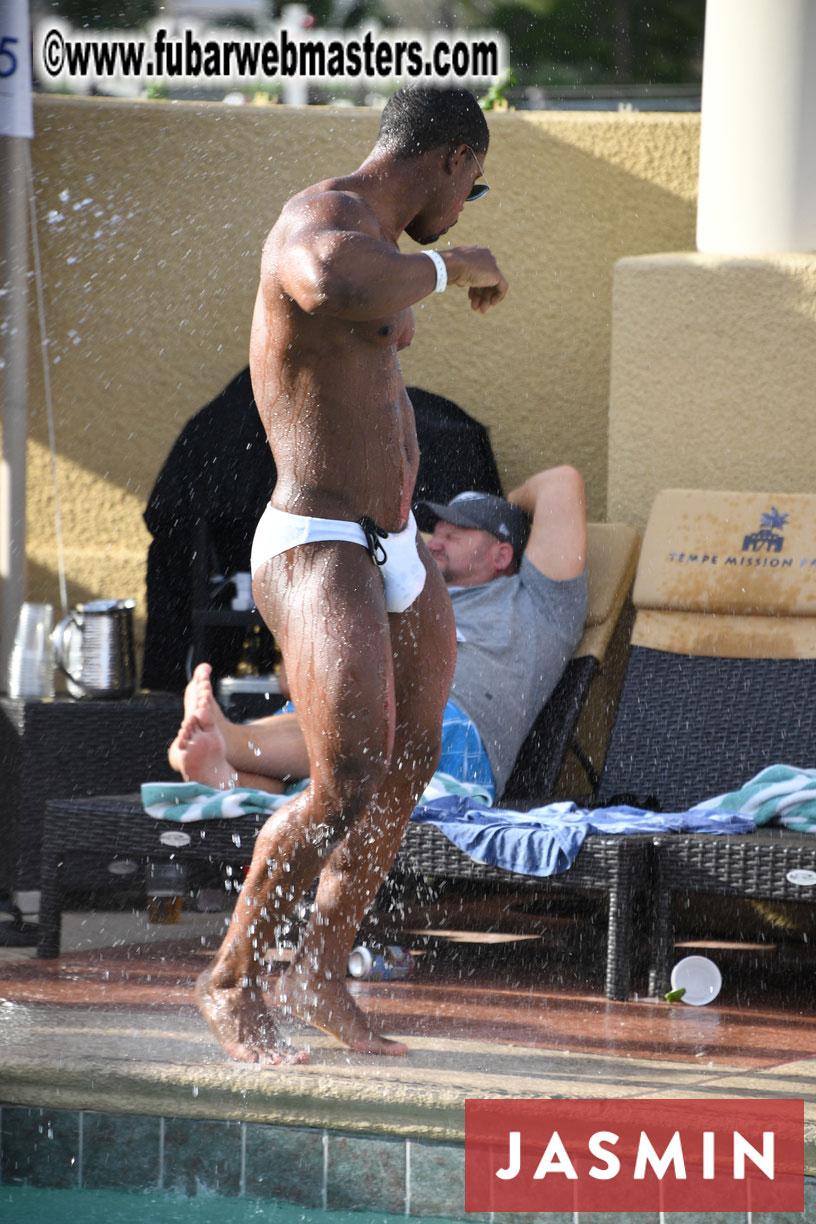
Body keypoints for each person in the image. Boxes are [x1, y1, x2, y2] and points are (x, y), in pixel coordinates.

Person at [187, 84, 511, 1067]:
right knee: (342, 784)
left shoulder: (384, 242)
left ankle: (323, 972)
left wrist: (433, 266)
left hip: (396, 547)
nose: (467, 205)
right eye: (476, 187)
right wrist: (452, 263)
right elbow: (328, 280)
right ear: (452, 160)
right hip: (315, 542)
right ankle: (233, 982)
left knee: (411, 763)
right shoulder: (323, 217)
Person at [172, 467, 588, 805]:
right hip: (361, 722)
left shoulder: (538, 605)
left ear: (503, 554)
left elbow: (562, 481)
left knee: (367, 717)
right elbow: (292, 681)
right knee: (305, 763)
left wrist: (503, 509)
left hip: (445, 733)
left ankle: (234, 741)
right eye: (436, 531)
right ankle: (221, 773)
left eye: (457, 533)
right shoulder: (412, 599)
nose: (436, 542)